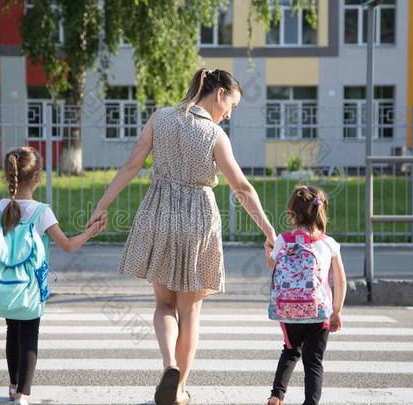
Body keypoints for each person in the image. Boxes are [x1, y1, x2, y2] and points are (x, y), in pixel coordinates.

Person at [86, 68, 276, 405]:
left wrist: (102, 204)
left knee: (163, 304)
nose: (230, 113)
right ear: (218, 94)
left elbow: (131, 165)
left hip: (158, 214)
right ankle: (180, 388)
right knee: (190, 310)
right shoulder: (214, 135)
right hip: (197, 220)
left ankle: (169, 365)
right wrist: (267, 227)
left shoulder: (160, 118)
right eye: (231, 105)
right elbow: (241, 188)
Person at [0, 146, 106, 405]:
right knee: (29, 333)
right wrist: (90, 233)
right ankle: (23, 395)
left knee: (12, 330)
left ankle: (14, 387)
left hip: (3, 284)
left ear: (8, 176)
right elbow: (67, 245)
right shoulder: (40, 212)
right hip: (30, 286)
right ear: (37, 176)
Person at [265, 185, 347, 405]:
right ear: (321, 211)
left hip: (289, 310)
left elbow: (272, 264)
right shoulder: (329, 244)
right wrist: (337, 311)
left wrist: (268, 251)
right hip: (319, 312)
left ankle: (276, 395)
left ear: (291, 213)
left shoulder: (283, 240)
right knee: (313, 362)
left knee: (290, 351)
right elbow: (340, 280)